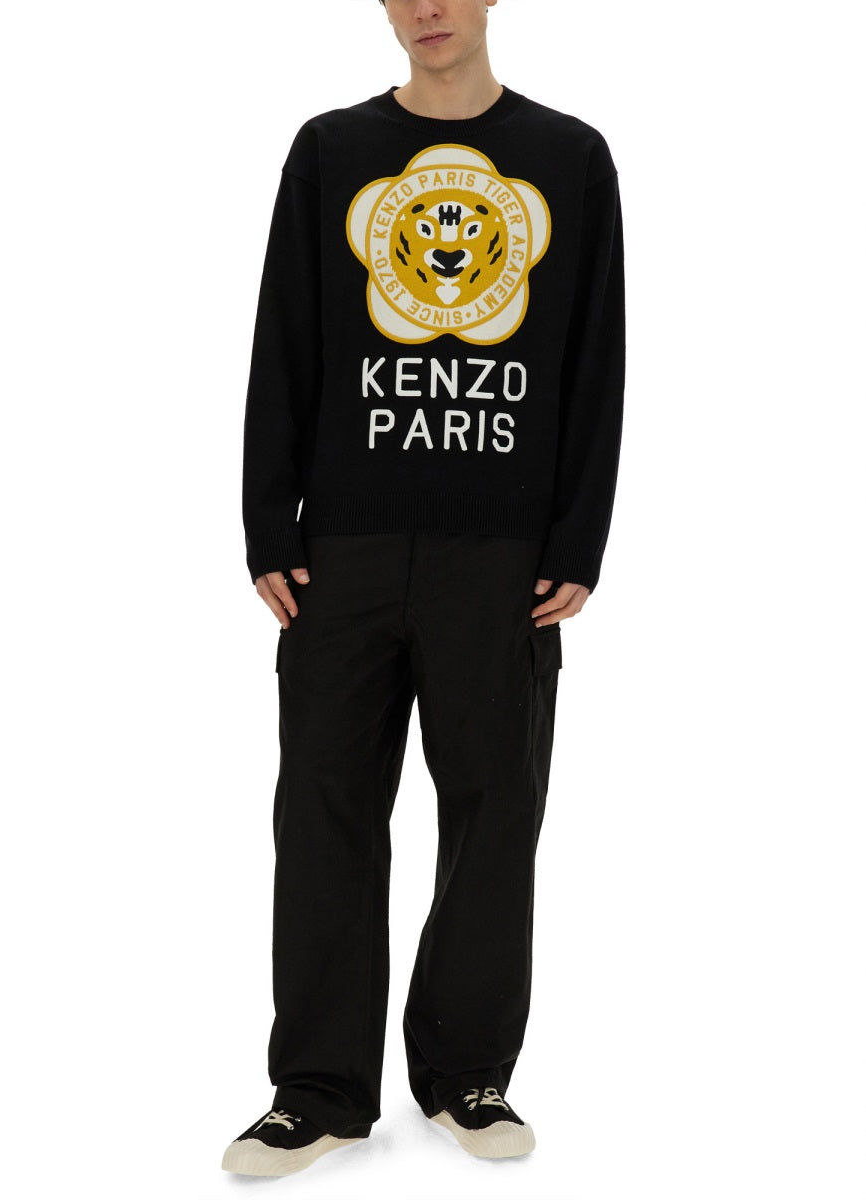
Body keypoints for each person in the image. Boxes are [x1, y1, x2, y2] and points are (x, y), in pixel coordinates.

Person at [222, 0, 625, 1178]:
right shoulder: (332, 151)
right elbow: (285, 335)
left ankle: (467, 1075)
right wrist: (267, 522)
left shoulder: (569, 158)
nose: (426, 7)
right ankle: (318, 1090)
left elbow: (595, 352)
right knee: (323, 809)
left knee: (495, 811)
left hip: (502, 556)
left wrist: (580, 536)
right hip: (342, 550)